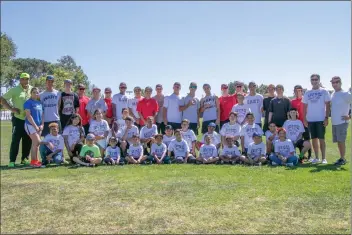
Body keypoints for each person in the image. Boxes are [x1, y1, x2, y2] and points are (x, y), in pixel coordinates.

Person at [302, 74, 331, 164]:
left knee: (321, 139)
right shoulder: (307, 92)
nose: (314, 81)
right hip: (310, 120)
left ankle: (324, 158)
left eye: (316, 79)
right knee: (314, 139)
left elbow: (328, 105)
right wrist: (304, 119)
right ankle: (317, 157)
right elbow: (304, 107)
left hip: (321, 119)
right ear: (310, 81)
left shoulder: (324, 91)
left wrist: (326, 118)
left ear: (319, 80)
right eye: (312, 80)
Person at [330, 76, 352, 166]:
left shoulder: (346, 94)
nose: (334, 84)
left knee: (341, 141)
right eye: (333, 82)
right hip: (335, 122)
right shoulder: (333, 94)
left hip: (342, 122)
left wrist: (350, 116)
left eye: (336, 82)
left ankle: (343, 159)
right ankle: (341, 158)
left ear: (340, 83)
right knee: (339, 141)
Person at [23, 87, 43, 167]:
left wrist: (42, 125)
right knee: (37, 142)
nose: (35, 94)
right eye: (34, 92)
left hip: (38, 126)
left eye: (37, 92)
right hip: (30, 125)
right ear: (31, 93)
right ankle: (33, 161)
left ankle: (36, 160)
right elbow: (28, 116)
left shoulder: (39, 103)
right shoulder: (28, 103)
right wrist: (35, 126)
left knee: (36, 144)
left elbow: (42, 115)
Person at [291, 84, 311, 160]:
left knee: (307, 140)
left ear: (302, 91)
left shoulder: (305, 100)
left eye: (299, 90)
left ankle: (309, 156)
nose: (297, 92)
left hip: (305, 123)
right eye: (296, 91)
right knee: (298, 140)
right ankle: (300, 156)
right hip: (296, 124)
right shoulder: (292, 101)